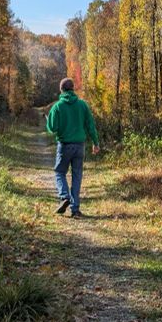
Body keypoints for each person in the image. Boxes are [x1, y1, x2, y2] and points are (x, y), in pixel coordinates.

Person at [46, 77, 100, 218]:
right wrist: (95, 142)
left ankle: (64, 197)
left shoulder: (57, 107)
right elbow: (90, 125)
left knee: (59, 172)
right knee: (77, 175)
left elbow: (52, 128)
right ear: (73, 89)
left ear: (61, 90)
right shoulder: (82, 105)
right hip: (79, 146)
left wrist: (49, 121)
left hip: (64, 146)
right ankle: (75, 209)